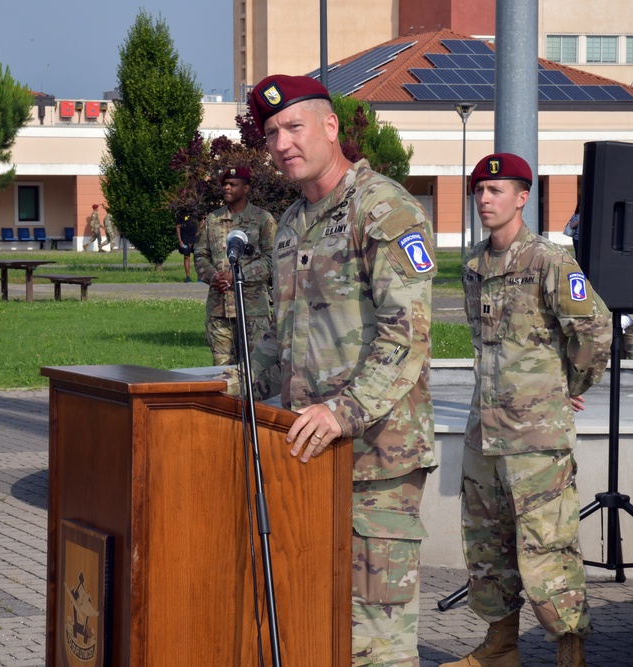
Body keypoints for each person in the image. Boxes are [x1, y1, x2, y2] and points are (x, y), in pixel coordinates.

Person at [240, 74, 437, 667]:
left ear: (330, 127)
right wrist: (222, 387)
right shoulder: (293, 223)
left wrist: (341, 412)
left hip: (376, 455)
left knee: (376, 638)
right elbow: (281, 341)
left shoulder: (383, 208)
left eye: (293, 126)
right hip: (306, 451)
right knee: (317, 620)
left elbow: (407, 334)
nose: (281, 143)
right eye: (271, 133)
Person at [443, 153, 611, 667]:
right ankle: (501, 646)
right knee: (487, 546)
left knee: (548, 545)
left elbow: (595, 330)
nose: (485, 199)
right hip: (485, 437)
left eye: (497, 190)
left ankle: (569, 648)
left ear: (522, 197)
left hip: (536, 441)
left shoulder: (549, 259)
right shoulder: (473, 265)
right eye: (479, 191)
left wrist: (567, 384)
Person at [194, 166, 276, 365]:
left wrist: (239, 275)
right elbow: (200, 255)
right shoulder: (212, 220)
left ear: (246, 188)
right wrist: (214, 277)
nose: (227, 188)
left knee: (256, 370)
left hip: (253, 310)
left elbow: (272, 258)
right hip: (219, 310)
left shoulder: (263, 220)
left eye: (233, 184)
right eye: (225, 184)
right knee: (222, 372)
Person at [176, 212, 200, 283]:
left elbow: (203, 220)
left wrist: (199, 231)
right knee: (187, 256)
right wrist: (180, 241)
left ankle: (200, 277)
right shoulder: (181, 214)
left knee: (197, 257)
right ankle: (188, 277)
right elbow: (177, 227)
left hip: (194, 237)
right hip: (185, 237)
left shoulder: (196, 212)